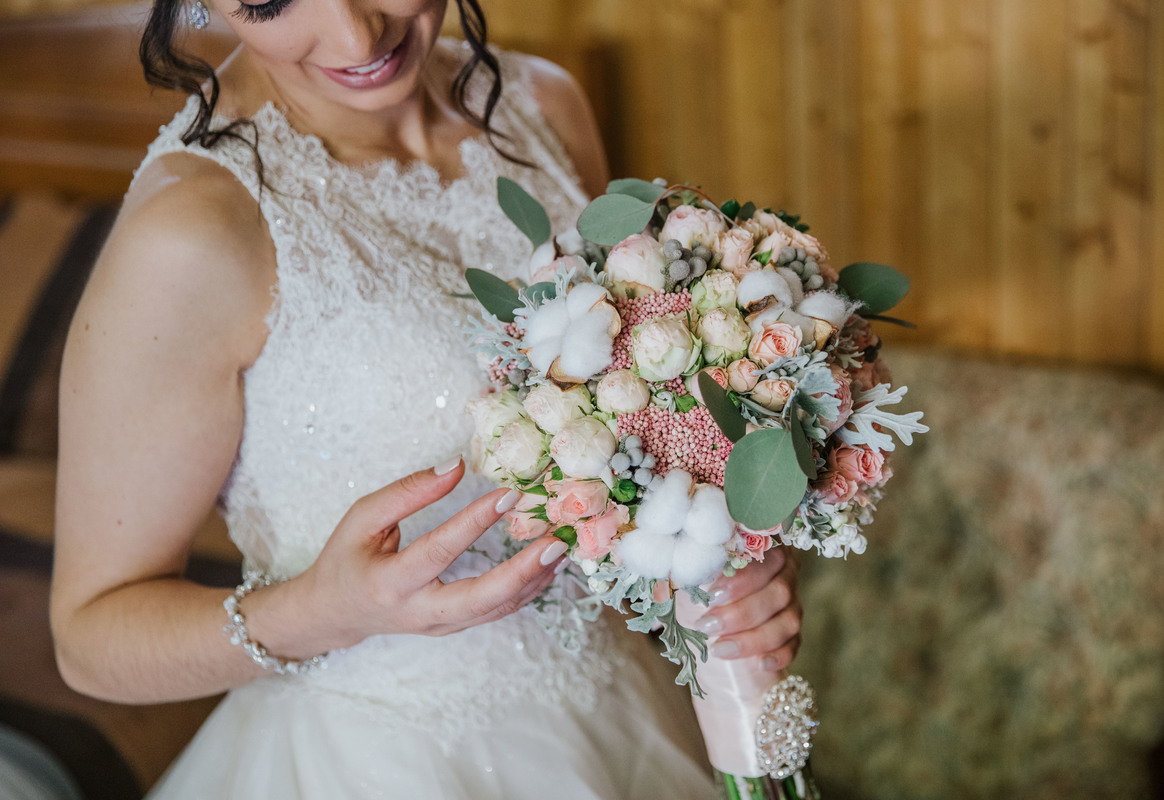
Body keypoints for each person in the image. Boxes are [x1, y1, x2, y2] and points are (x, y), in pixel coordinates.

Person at [49, 0, 803, 795]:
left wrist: (707, 567)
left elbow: (622, 432)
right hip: (371, 762)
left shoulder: (544, 105)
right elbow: (89, 639)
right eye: (272, 1)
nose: (358, 36)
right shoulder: (193, 230)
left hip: (614, 721)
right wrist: (320, 612)